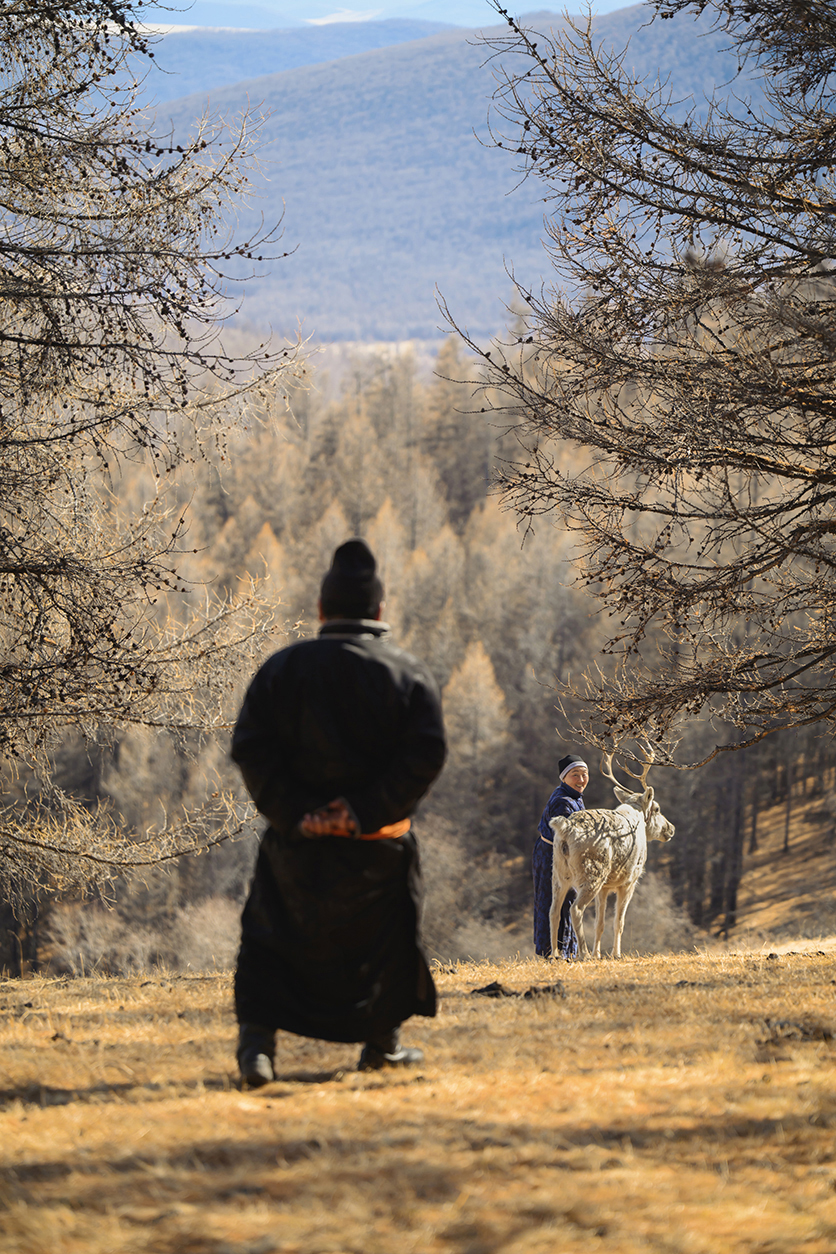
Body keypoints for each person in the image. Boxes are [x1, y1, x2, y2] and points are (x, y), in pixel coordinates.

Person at [230, 538, 446, 1086]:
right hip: (378, 843)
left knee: (269, 938)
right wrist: (360, 812)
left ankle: (258, 1050)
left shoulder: (282, 670)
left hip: (295, 845)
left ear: (322, 610)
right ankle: (382, 1045)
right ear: (378, 611)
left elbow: (252, 747)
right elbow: (425, 755)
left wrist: (300, 814)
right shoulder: (409, 675)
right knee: (386, 942)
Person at [532, 753, 590, 959]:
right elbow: (569, 839)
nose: (581, 780)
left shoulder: (573, 796)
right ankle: (555, 954)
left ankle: (563, 953)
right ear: (563, 777)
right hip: (553, 857)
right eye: (575, 775)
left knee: (565, 902)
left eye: (584, 774)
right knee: (557, 902)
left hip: (561, 855)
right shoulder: (563, 802)